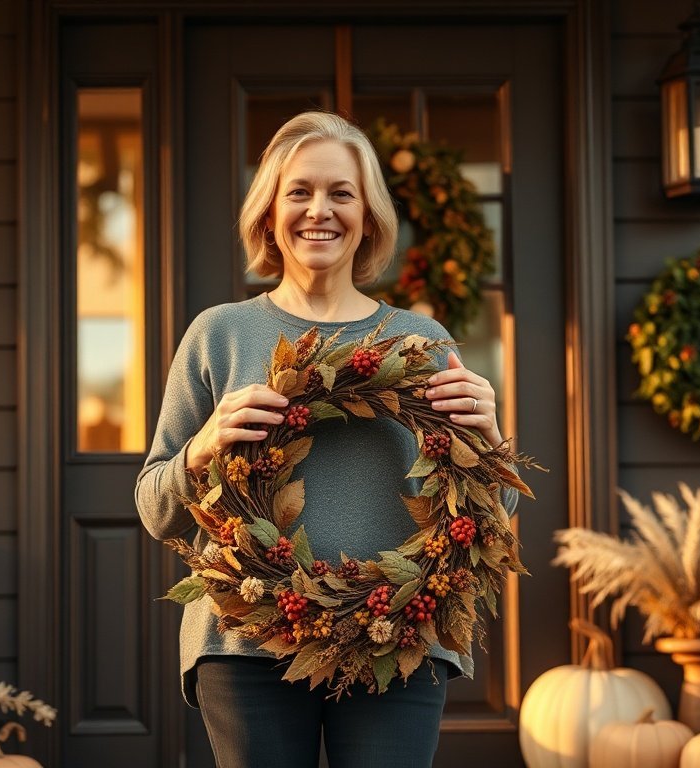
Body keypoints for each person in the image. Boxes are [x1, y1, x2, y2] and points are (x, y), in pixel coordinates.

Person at [135, 111, 518, 768]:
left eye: (341, 193)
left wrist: (490, 437)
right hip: (247, 643)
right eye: (300, 191)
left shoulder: (420, 341)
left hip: (400, 641)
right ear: (269, 215)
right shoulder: (219, 336)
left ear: (368, 216)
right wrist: (202, 447)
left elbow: (486, 522)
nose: (321, 210)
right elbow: (154, 508)